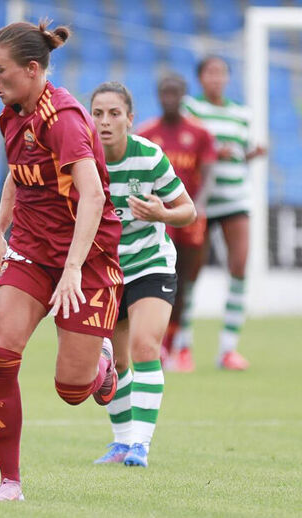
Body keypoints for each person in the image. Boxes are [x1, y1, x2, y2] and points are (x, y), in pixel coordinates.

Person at [0, 21, 124, 502]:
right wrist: (0, 227)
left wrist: (70, 271)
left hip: (87, 260)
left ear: (33, 69)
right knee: (1, 349)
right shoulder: (10, 111)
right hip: (31, 250)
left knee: (71, 389)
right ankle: (9, 483)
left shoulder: (62, 120)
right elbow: (19, 173)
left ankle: (102, 363)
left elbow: (92, 196)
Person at [90, 82, 197, 467]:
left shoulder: (149, 156)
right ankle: (121, 443)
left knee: (145, 347)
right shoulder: (81, 160)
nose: (105, 121)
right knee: (114, 364)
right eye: (98, 113)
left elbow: (188, 211)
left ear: (130, 119)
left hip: (150, 263)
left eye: (114, 113)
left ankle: (141, 444)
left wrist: (162, 214)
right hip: (104, 272)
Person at [181, 56, 267, 371]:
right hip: (201, 200)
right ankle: (182, 345)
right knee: (191, 272)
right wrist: (215, 151)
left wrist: (250, 155)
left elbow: (239, 153)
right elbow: (187, 147)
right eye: (210, 72)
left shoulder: (241, 114)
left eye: (221, 73)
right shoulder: (190, 109)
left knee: (240, 266)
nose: (216, 78)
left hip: (235, 197)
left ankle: (228, 349)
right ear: (200, 77)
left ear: (228, 78)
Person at [137, 73, 217, 373]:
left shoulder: (199, 133)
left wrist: (200, 206)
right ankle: (160, 346)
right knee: (160, 279)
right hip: (158, 219)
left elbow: (208, 174)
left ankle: (178, 346)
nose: (169, 97)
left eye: (175, 92)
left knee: (185, 282)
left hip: (189, 217)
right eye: (164, 92)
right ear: (158, 95)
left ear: (184, 95)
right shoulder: (146, 133)